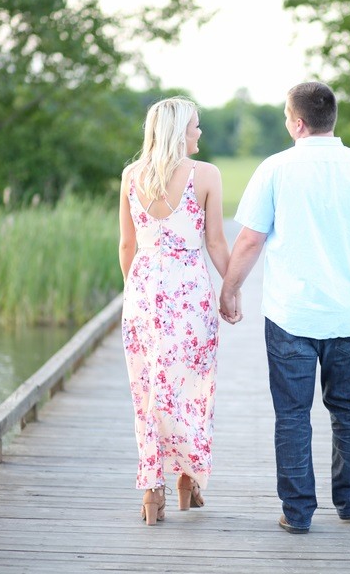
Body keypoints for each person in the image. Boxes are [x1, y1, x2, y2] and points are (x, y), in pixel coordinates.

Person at [218, 81, 350, 534]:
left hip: (290, 315)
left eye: (284, 117)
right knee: (349, 408)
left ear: (297, 122)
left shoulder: (275, 169)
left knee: (293, 414)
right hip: (348, 316)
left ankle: (297, 514)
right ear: (331, 119)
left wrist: (230, 289)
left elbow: (250, 238)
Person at [119, 97, 234, 526]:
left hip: (143, 292)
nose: (200, 133)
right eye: (196, 126)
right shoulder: (205, 176)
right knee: (192, 386)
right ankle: (188, 479)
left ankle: (153, 492)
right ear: (179, 131)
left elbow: (127, 246)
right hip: (189, 292)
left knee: (148, 390)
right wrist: (232, 289)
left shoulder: (131, 176)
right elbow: (216, 243)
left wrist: (133, 293)